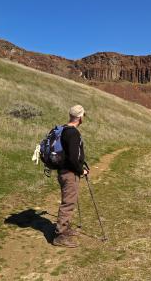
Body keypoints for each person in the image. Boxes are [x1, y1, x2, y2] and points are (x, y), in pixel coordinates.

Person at [53, 105, 89, 248]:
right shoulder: (73, 133)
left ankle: (65, 229)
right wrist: (81, 171)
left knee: (67, 200)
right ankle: (59, 236)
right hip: (69, 173)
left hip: (62, 171)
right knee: (68, 203)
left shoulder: (63, 129)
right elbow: (74, 158)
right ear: (80, 118)